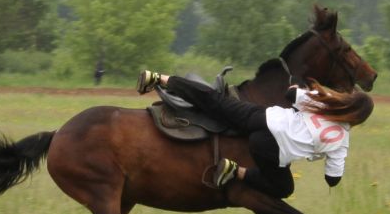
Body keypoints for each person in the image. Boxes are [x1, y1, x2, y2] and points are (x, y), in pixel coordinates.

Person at [137, 68, 371, 197]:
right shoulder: (342, 142)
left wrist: (311, 93)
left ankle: (159, 78)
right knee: (284, 189)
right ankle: (234, 171)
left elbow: (290, 95)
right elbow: (333, 179)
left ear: (346, 101)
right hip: (267, 148)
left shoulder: (324, 104)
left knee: (214, 101)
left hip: (263, 118)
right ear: (358, 120)